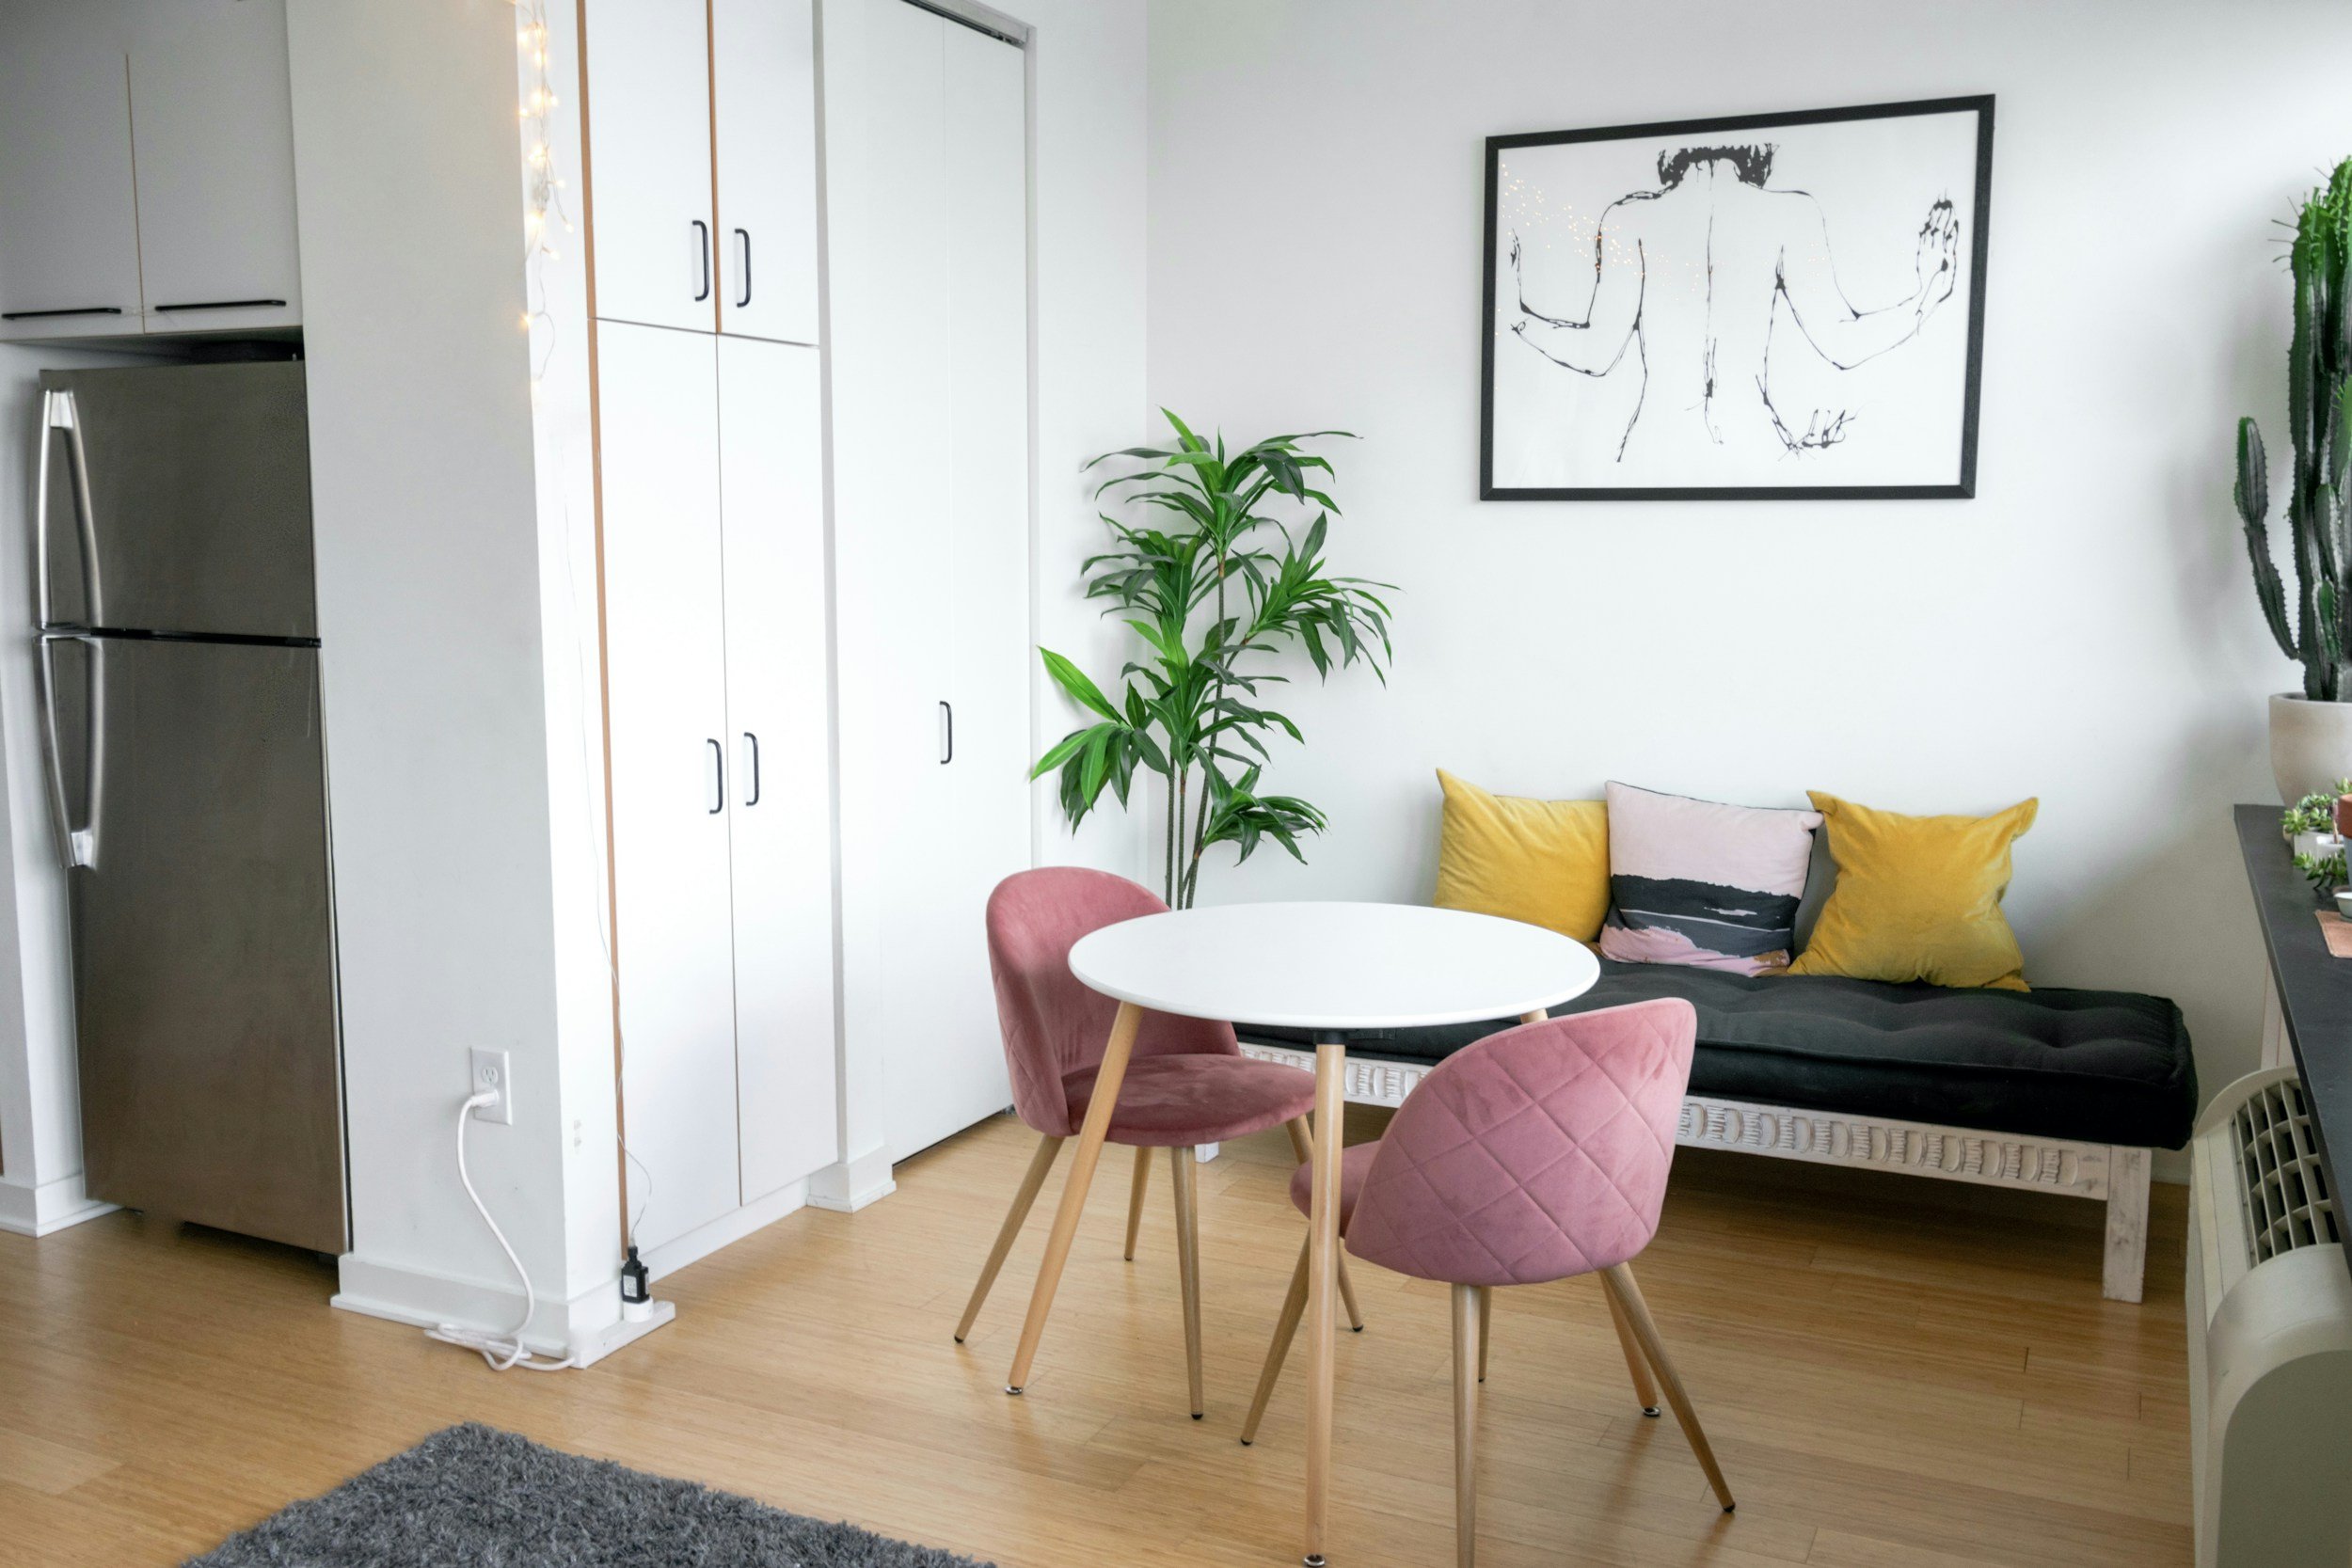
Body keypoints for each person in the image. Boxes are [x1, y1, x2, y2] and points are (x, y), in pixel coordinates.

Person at [1509, 142, 1960, 465]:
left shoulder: (1630, 219)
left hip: (1657, 450)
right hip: (1755, 450)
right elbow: (1842, 342)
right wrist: (1925, 300)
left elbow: (1598, 354)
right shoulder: (1790, 215)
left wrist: (1517, 319)